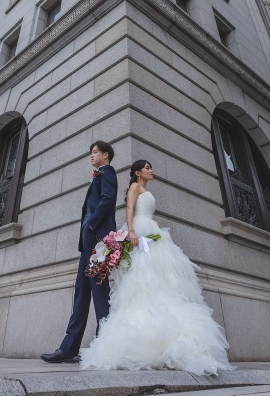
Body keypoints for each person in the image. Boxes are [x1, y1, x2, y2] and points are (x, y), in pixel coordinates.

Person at [79, 160, 232, 376]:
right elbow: (130, 209)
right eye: (147, 167)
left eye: (152, 167)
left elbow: (144, 209)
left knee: (162, 277)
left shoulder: (146, 190)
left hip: (151, 230)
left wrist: (153, 223)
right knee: (142, 276)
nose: (151, 170)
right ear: (137, 172)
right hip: (139, 232)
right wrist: (131, 231)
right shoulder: (134, 187)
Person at [41, 140, 118, 363]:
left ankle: (107, 345)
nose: (92, 156)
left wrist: (91, 226)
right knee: (81, 293)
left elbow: (107, 200)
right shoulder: (98, 174)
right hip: (88, 241)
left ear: (106, 155)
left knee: (99, 292)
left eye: (95, 152)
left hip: (96, 240)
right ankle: (68, 349)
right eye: (91, 152)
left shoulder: (108, 173)